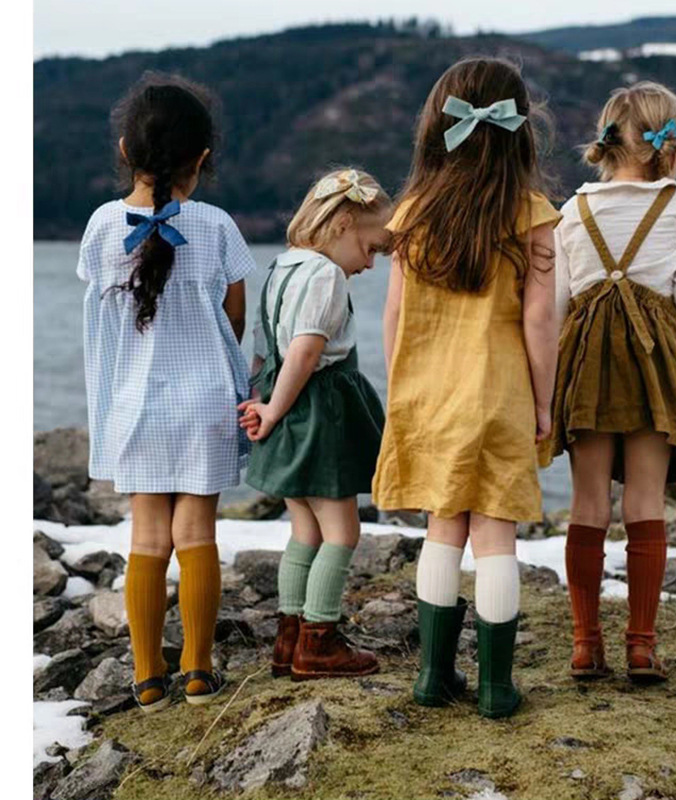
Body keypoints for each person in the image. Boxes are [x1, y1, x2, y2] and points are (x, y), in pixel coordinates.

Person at [372, 58, 562, 719]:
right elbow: (540, 321)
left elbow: (394, 315)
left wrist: (401, 386)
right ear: (520, 130)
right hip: (499, 392)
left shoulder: (413, 211)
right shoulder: (531, 213)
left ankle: (432, 676)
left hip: (427, 392)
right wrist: (544, 401)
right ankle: (495, 686)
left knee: (442, 525)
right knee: (496, 532)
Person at [78, 73, 257, 710]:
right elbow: (236, 316)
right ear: (201, 158)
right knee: (197, 531)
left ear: (126, 149)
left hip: (135, 405)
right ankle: (200, 670)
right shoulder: (216, 225)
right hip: (205, 401)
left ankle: (148, 677)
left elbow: (100, 313)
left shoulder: (103, 226)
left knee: (148, 537)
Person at [542, 81, 676, 683]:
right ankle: (641, 646)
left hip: (586, 361)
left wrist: (553, 378)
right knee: (646, 499)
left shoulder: (572, 210)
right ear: (669, 144)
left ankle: (584, 645)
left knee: (587, 502)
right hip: (654, 358)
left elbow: (559, 303)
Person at [240, 168, 390, 681]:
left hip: (284, 406)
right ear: (343, 223)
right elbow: (305, 352)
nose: (370, 263)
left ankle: (289, 639)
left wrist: (261, 401)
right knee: (342, 532)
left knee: (305, 529)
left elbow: (264, 346)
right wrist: (274, 409)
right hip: (318, 413)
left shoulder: (283, 265)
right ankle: (319, 642)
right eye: (370, 248)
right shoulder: (325, 274)